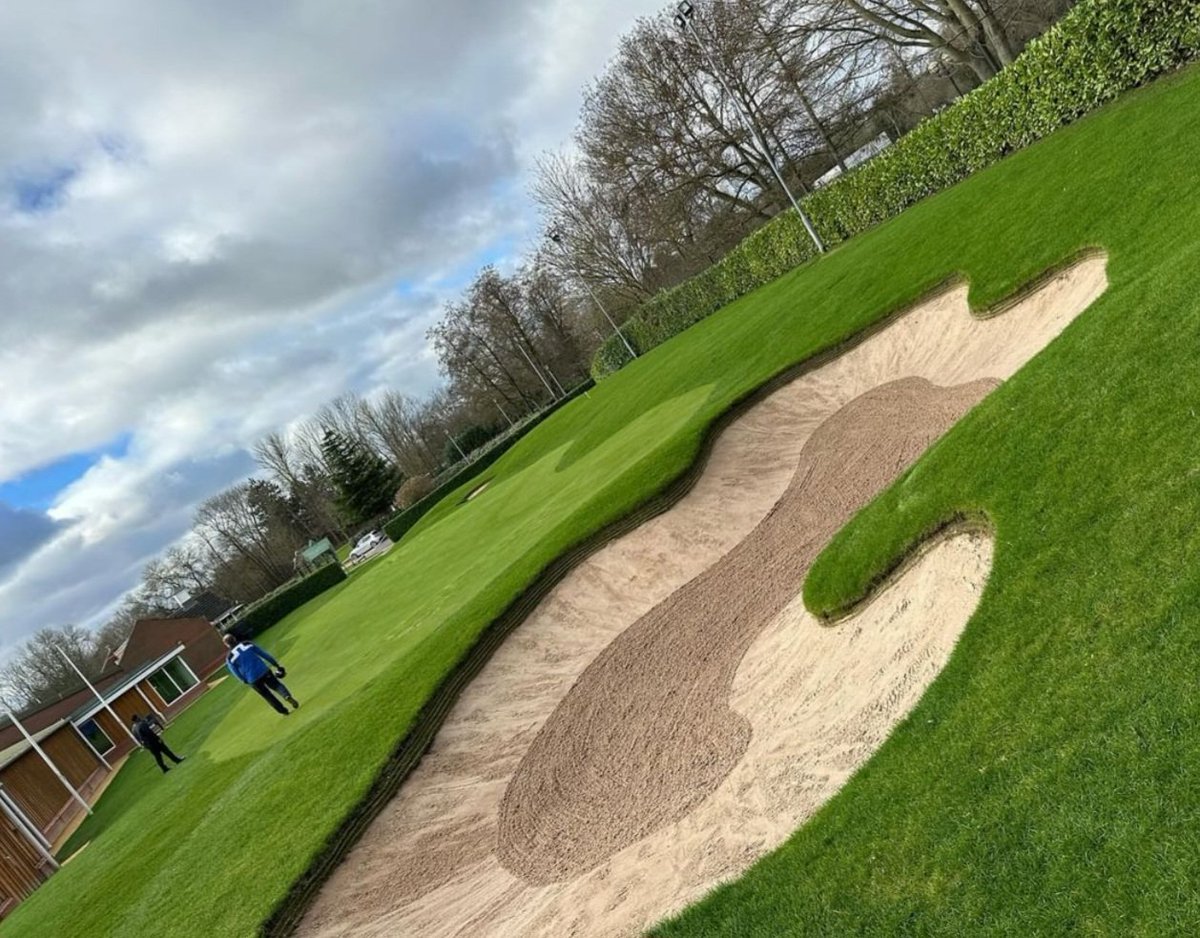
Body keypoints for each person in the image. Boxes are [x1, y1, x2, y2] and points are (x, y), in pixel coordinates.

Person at [223, 634, 300, 715]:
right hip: (263, 670)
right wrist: (276, 665)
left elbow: (235, 672)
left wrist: (244, 680)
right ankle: (286, 695)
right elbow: (264, 654)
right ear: (234, 638)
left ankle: (284, 711)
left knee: (267, 696)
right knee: (277, 685)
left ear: (226, 644)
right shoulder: (247, 644)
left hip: (252, 679)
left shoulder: (229, 657)